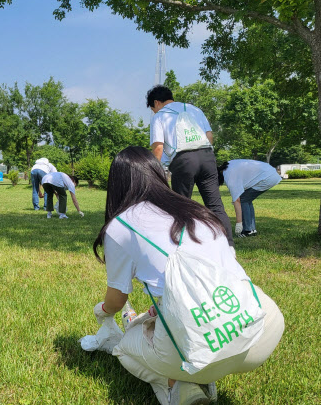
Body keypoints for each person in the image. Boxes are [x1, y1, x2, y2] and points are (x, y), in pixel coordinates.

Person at [92, 147, 284, 405]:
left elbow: (116, 301)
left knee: (125, 347)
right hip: (263, 328)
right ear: (159, 174)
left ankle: (177, 384)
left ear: (116, 184)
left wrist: (102, 311)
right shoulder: (196, 211)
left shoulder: (121, 225)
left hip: (202, 349)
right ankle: (188, 383)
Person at [147, 85, 234, 249]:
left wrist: (153, 171)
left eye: (153, 109)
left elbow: (158, 147)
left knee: (181, 205)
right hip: (207, 157)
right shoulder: (194, 109)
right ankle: (229, 247)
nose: (153, 112)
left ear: (157, 103)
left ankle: (183, 246)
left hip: (184, 160)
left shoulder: (159, 117)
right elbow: (209, 136)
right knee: (215, 205)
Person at [218, 160, 281, 237]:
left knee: (243, 200)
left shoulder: (229, 177)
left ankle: (247, 230)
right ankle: (252, 229)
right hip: (270, 172)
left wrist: (239, 224)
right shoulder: (229, 165)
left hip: (267, 177)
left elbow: (237, 201)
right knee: (247, 199)